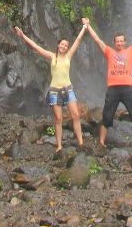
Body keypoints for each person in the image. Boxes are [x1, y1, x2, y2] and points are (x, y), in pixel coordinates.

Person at [82, 16, 132, 149]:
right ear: (114, 43)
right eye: (117, 41)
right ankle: (101, 143)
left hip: (128, 88)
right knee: (107, 116)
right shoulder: (109, 52)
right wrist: (88, 26)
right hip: (113, 89)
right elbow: (97, 40)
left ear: (125, 42)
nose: (119, 43)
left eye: (121, 41)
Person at [13, 22, 87, 153]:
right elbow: (36, 47)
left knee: (75, 115)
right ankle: (59, 145)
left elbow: (78, 40)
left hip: (68, 89)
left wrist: (84, 27)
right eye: (62, 44)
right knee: (58, 119)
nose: (64, 46)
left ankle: (81, 142)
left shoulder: (68, 57)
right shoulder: (52, 56)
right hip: (54, 90)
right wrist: (23, 36)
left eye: (66, 45)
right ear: (58, 45)